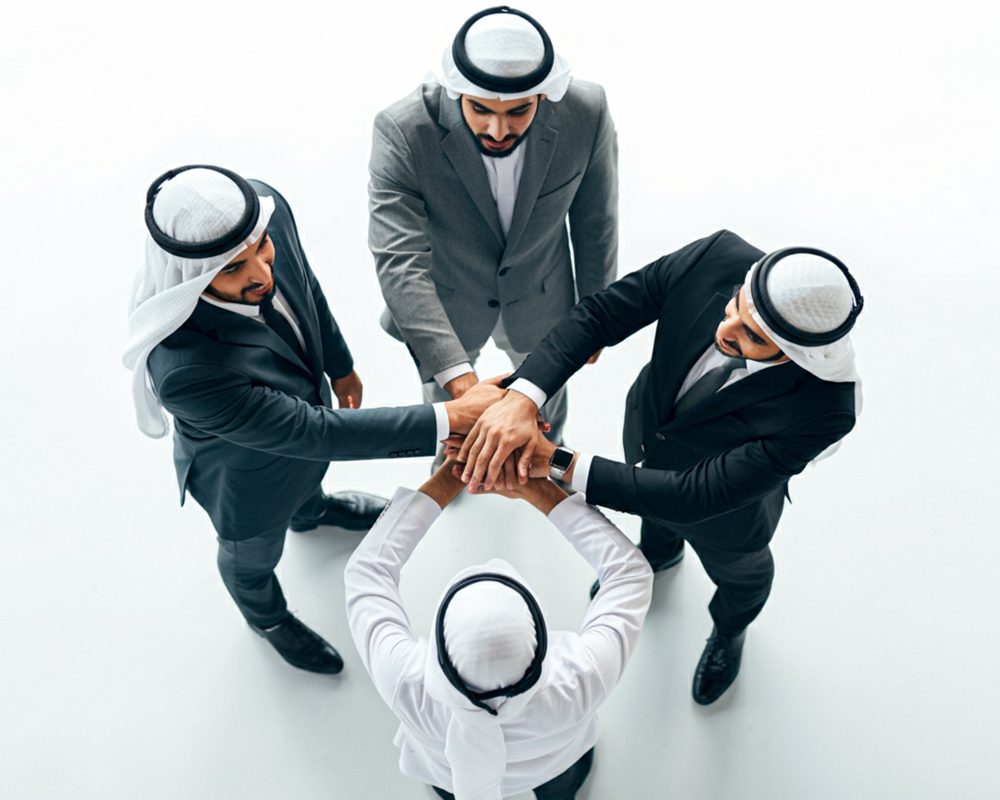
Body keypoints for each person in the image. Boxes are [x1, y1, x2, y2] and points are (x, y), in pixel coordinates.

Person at [456, 229, 864, 704]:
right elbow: (600, 314)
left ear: (794, 354)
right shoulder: (717, 255)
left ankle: (729, 631)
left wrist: (551, 460)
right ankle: (658, 554)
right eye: (735, 304)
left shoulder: (825, 409)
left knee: (743, 579)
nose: (726, 329)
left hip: (724, 517)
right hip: (647, 436)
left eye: (752, 337)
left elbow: (693, 496)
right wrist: (522, 398)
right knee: (655, 520)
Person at [124, 165, 503, 675]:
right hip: (248, 482)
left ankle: (313, 511)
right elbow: (310, 432)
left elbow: (304, 289)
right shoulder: (185, 370)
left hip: (301, 442)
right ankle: (267, 618)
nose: (262, 274)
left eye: (262, 249)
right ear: (191, 276)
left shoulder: (266, 214)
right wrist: (451, 418)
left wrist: (340, 365)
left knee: (307, 483)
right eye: (233, 270)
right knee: (250, 559)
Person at [368, 5, 617, 459]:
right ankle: (454, 469)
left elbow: (595, 222)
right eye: (480, 109)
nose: (498, 129)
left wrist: (596, 316)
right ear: (456, 91)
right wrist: (461, 384)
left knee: (547, 414)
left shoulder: (588, 112)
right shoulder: (401, 130)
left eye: (518, 111)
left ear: (544, 96)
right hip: (445, 308)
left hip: (543, 300)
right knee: (450, 424)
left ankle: (548, 456)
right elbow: (399, 260)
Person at [344, 461, 653, 799]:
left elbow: (366, 572)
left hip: (449, 775)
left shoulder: (406, 683)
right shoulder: (581, 677)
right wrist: (541, 491)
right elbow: (629, 573)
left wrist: (449, 477)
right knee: (562, 789)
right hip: (557, 766)